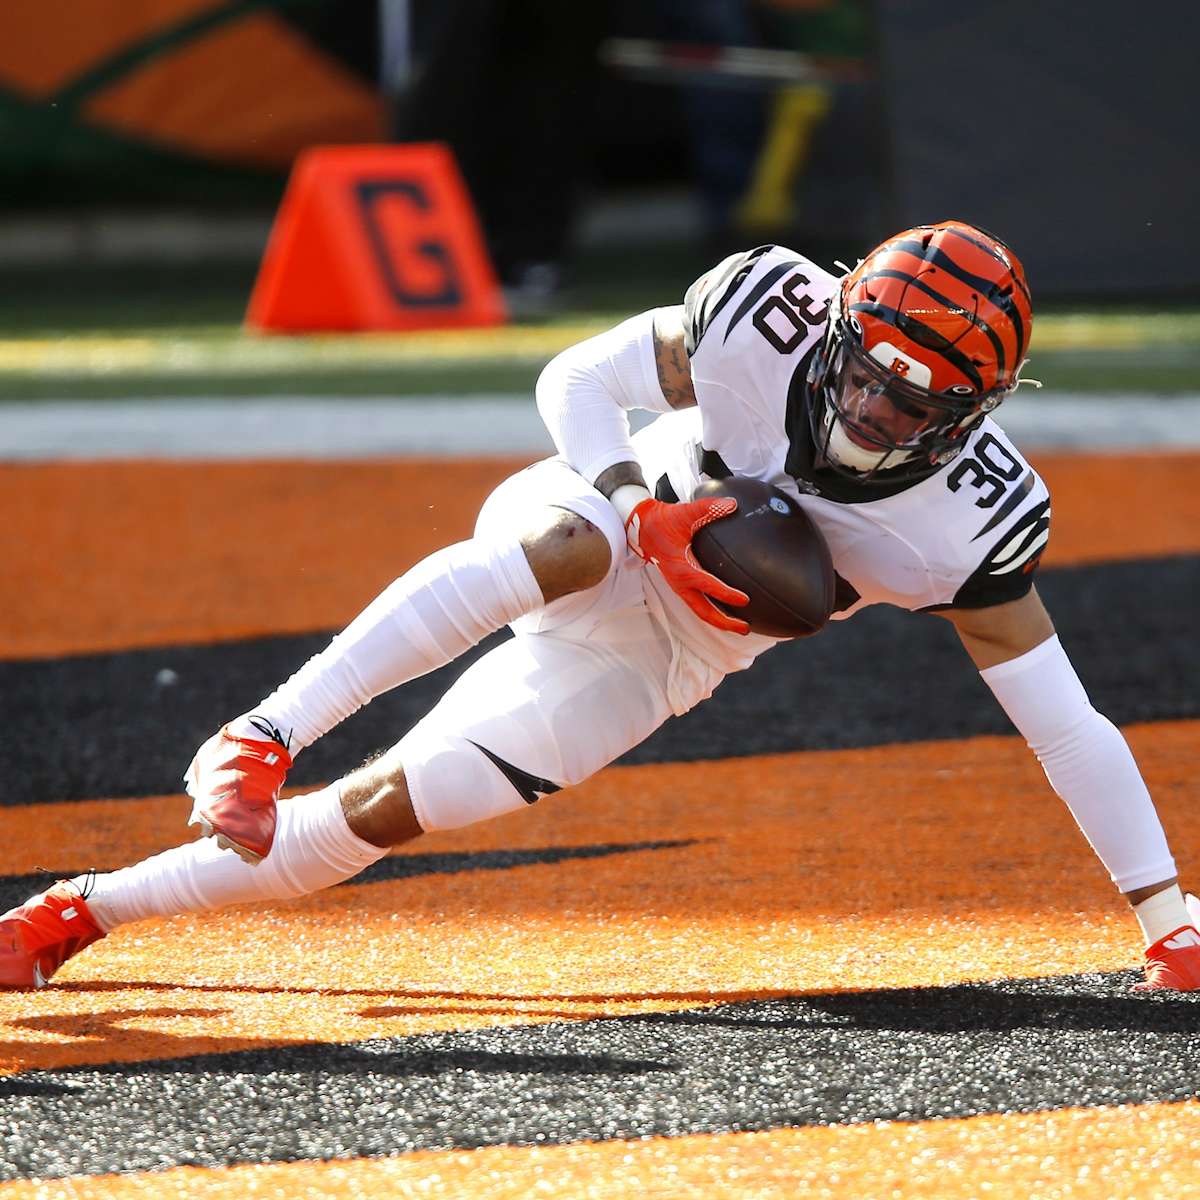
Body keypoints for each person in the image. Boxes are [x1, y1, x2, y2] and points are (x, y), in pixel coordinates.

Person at [4, 221, 1198, 992]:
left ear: (975, 417)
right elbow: (576, 375)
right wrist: (639, 505)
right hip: (610, 507)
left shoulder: (969, 522)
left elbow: (1065, 723)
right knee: (568, 546)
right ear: (831, 327)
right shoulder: (761, 316)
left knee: (384, 812)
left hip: (675, 650)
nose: (880, 416)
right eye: (872, 380)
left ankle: (82, 911)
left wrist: (1164, 913)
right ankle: (262, 732)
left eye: (914, 410)